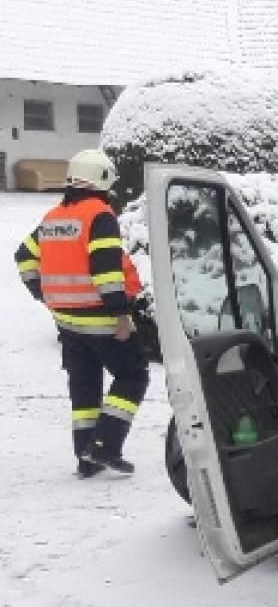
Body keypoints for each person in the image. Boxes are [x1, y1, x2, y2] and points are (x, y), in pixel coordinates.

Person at [13, 149, 147, 477]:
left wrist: (45, 295)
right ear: (101, 180)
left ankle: (86, 459)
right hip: (100, 317)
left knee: (84, 385)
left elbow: (23, 258)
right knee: (133, 375)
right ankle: (106, 446)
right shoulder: (99, 215)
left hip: (67, 321)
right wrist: (121, 314)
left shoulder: (53, 218)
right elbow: (105, 271)